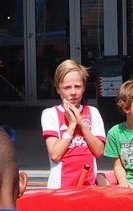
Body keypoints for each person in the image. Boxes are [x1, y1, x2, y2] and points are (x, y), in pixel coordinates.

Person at [42, 59, 107, 189]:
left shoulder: (93, 112)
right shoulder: (50, 114)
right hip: (60, 186)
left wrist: (81, 123)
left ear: (84, 87)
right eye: (67, 87)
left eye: (77, 86)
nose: (73, 92)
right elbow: (55, 154)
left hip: (88, 184)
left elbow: (99, 151)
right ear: (58, 89)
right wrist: (72, 125)